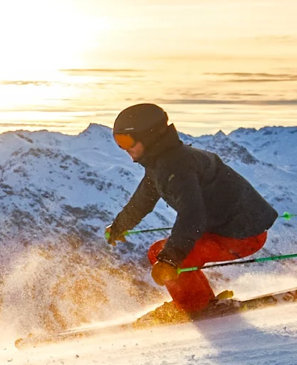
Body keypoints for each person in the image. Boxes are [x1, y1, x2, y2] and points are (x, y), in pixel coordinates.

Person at [104, 103, 279, 323]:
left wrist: (170, 260)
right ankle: (195, 302)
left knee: (164, 254)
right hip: (231, 228)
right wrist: (120, 226)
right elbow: (142, 201)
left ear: (148, 137)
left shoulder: (176, 166)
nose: (124, 148)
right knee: (159, 253)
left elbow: (192, 216)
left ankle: (199, 307)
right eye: (118, 141)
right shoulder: (161, 163)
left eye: (126, 141)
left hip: (243, 235)